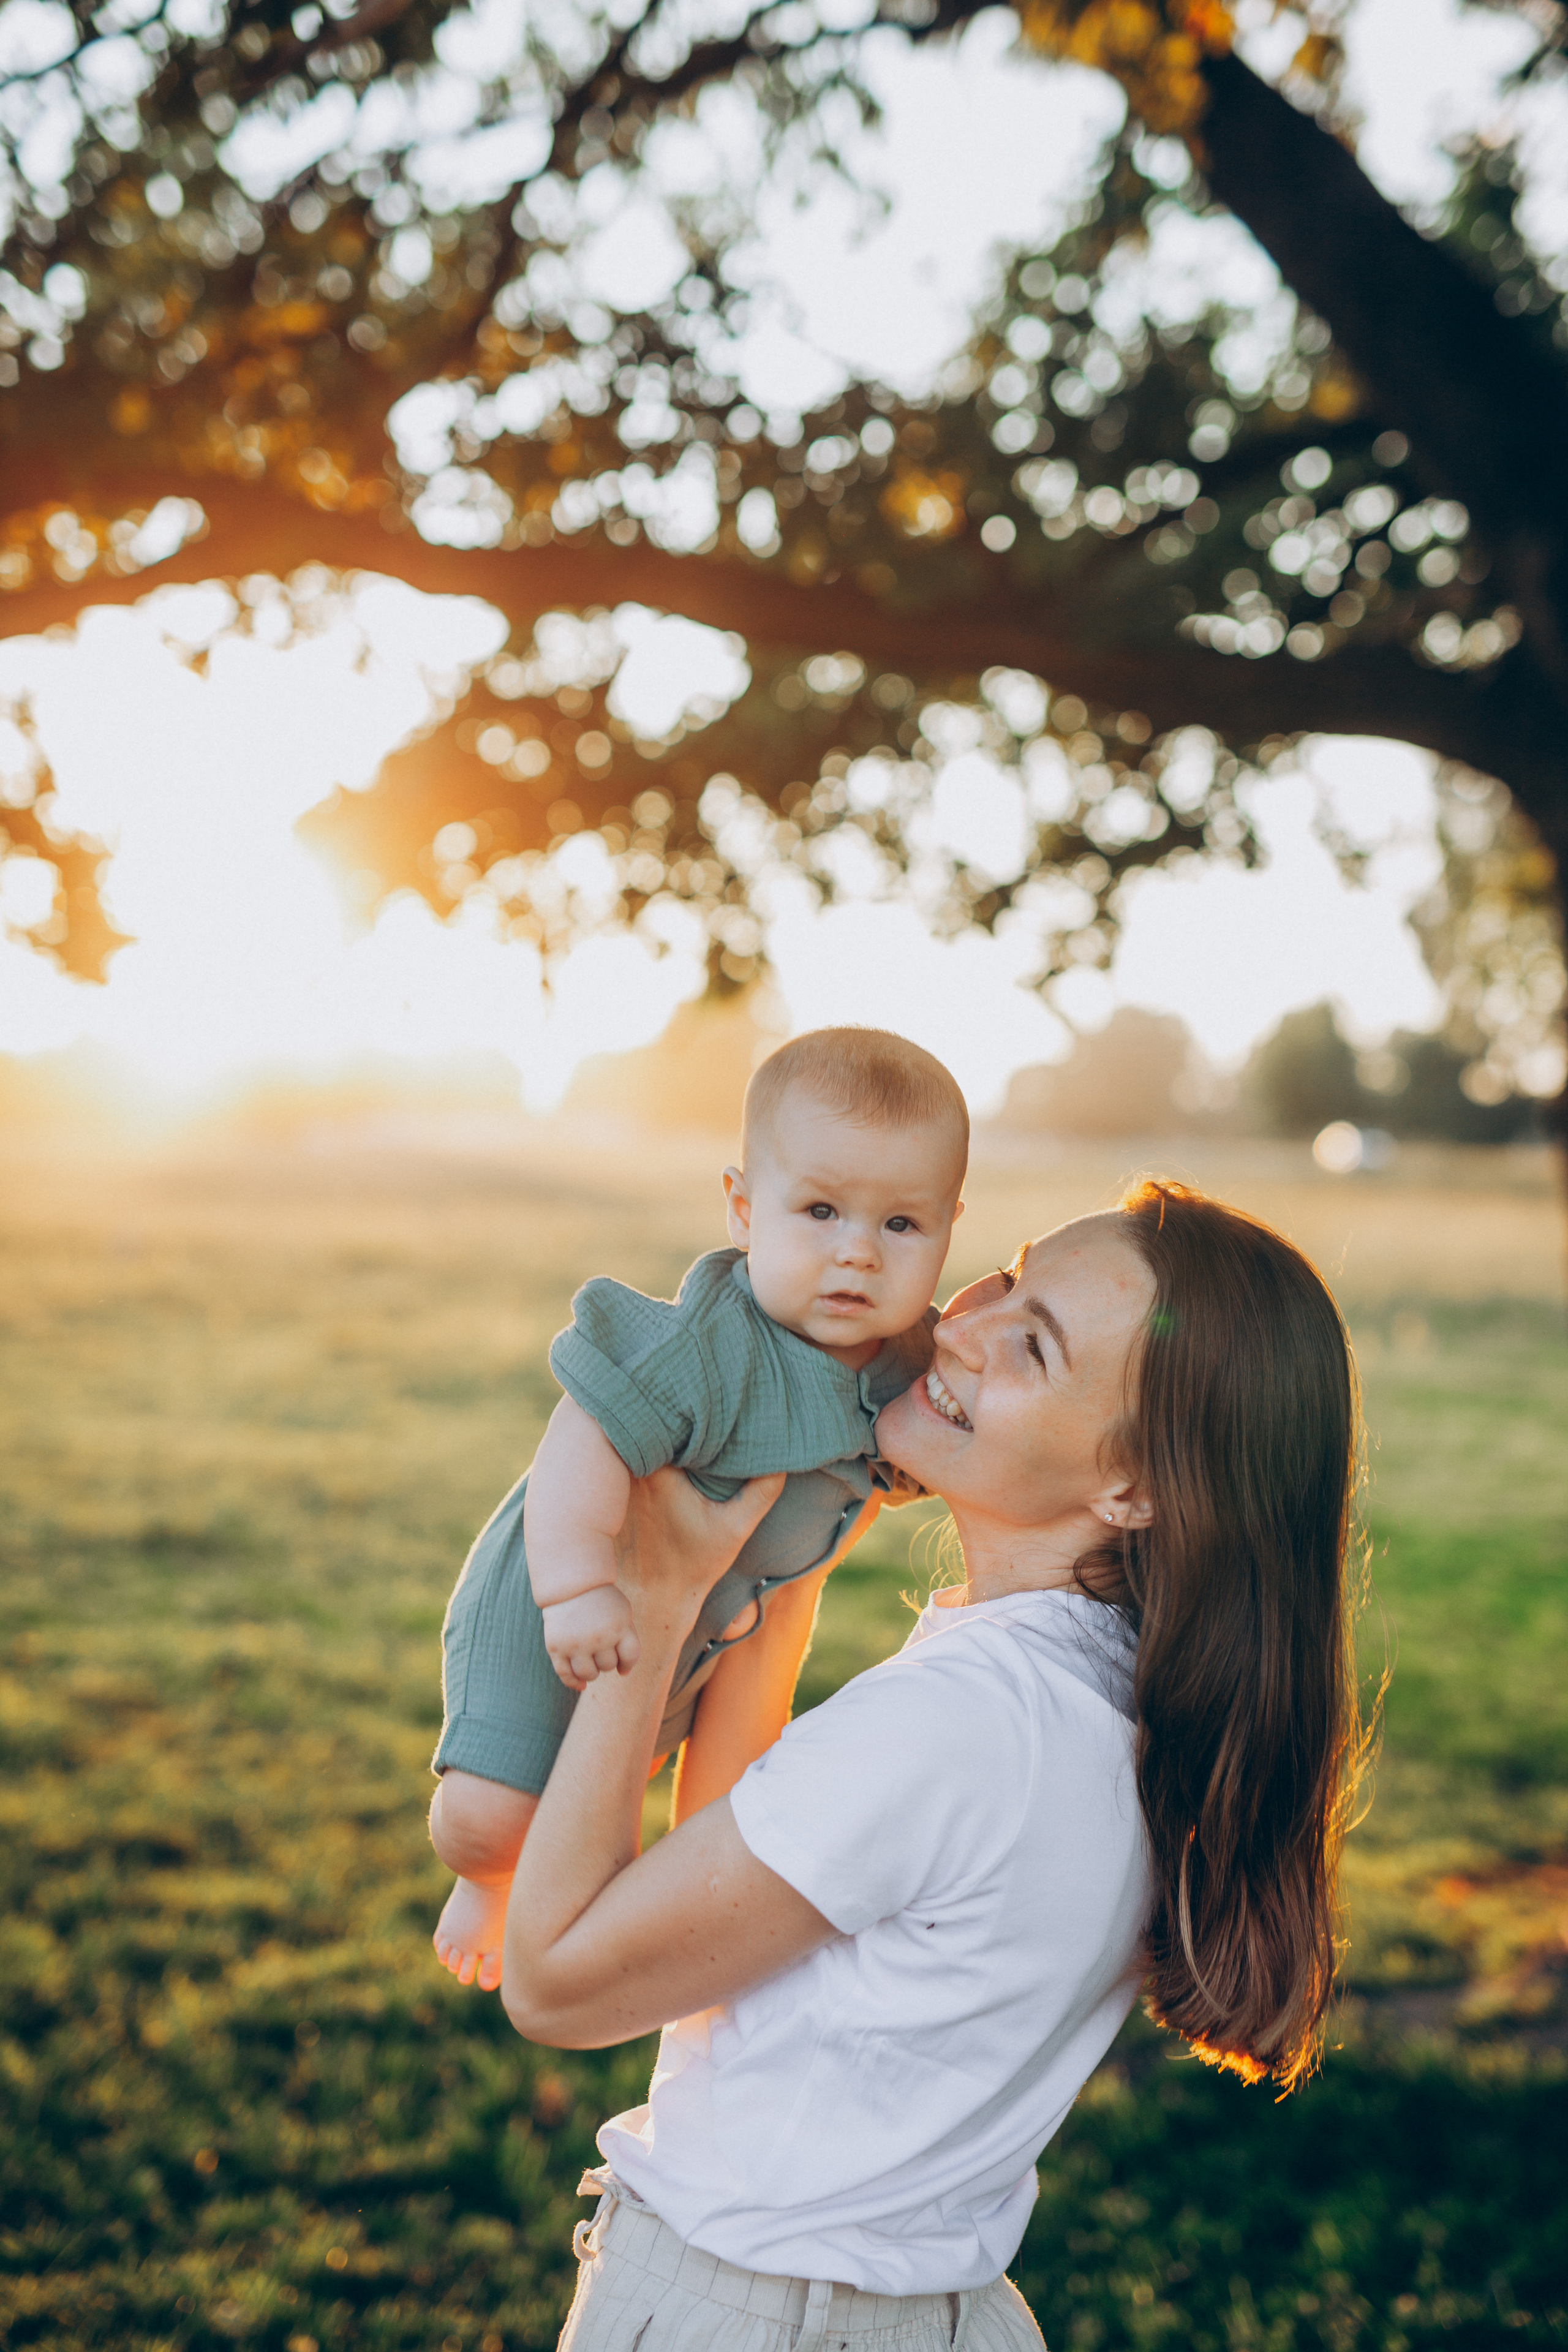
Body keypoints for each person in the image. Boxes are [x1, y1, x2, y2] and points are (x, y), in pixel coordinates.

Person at [499, 1181, 1368, 2351]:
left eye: (1034, 1347)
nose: (957, 1325)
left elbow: (557, 1980)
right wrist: (783, 1565)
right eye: (1006, 1277)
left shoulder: (964, 1727)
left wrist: (650, 1608)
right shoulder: (1100, 1694)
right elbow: (726, 1932)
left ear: (1135, 1490)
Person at [429, 1027, 970, 1990]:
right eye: (820, 1210)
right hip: (565, 1592)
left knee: (694, 1793)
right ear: (743, 1209)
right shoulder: (710, 1346)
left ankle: (682, 1898)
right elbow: (582, 1439)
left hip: (710, 1628)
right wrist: (575, 1585)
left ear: (947, 1229)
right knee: (495, 1815)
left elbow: (933, 1444)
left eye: (901, 1226)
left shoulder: (906, 1364)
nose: (857, 1254)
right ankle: (487, 1882)